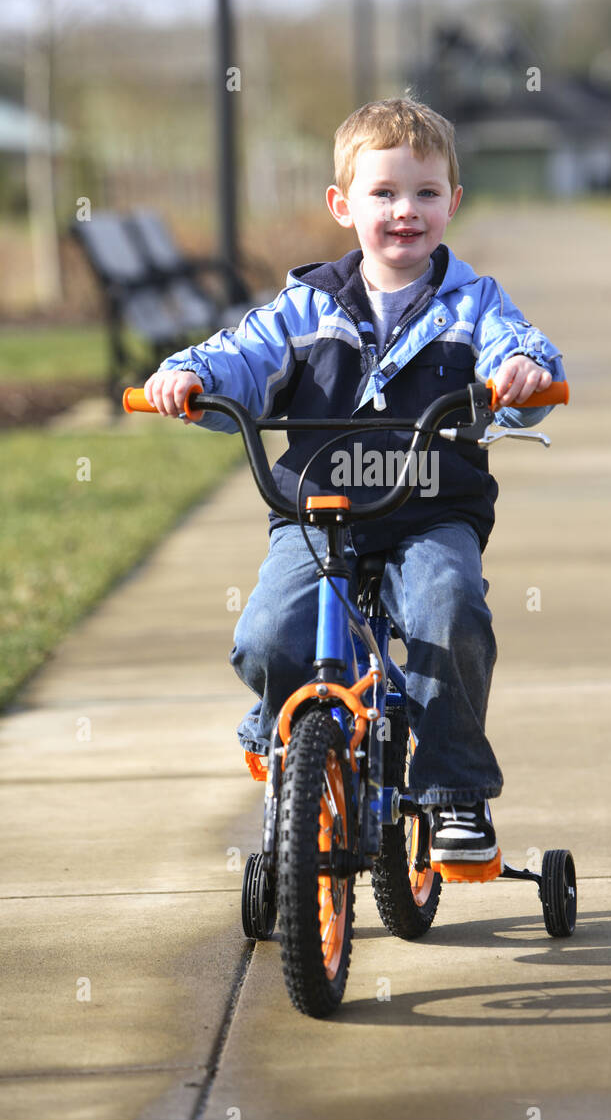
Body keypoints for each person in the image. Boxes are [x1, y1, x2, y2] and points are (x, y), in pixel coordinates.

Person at [143, 96, 566, 864]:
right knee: (268, 635)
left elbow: (523, 348)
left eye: (426, 193)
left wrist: (525, 374)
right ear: (343, 205)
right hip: (316, 511)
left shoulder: (472, 306)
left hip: (430, 511)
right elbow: (238, 355)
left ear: (453, 203)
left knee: (451, 609)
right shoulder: (304, 308)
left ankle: (453, 790)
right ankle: (282, 734)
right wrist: (187, 375)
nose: (406, 211)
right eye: (384, 193)